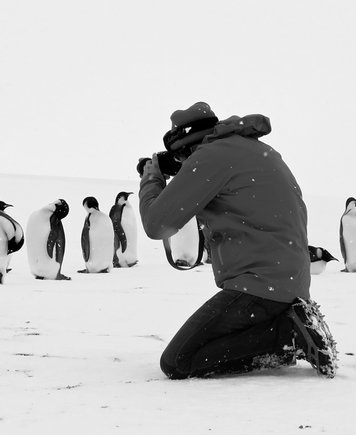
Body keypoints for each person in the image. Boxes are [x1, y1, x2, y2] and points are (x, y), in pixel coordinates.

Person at [138, 101, 338, 379]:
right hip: (289, 282)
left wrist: (151, 179)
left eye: (183, 157)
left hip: (259, 285)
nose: (184, 164)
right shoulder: (256, 150)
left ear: (186, 145)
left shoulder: (210, 157)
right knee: (212, 345)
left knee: (178, 361)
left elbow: (156, 224)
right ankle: (286, 334)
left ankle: (288, 335)